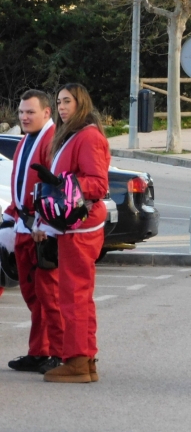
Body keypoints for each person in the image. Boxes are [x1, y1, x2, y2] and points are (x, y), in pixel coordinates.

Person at [33, 83, 110, 383]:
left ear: (82, 103)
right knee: (79, 293)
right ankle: (85, 359)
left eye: (68, 102)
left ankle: (78, 361)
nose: (62, 107)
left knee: (74, 294)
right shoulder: (76, 135)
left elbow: (98, 183)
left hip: (81, 223)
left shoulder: (88, 136)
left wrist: (64, 186)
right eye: (60, 102)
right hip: (75, 223)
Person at [2, 89, 64, 374]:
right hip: (23, 226)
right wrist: (10, 215)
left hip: (41, 230)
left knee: (49, 296)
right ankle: (39, 351)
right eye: (22, 112)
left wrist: (42, 224)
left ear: (46, 113)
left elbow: (54, 186)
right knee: (32, 294)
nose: (24, 117)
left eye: (30, 112)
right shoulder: (26, 140)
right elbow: (20, 185)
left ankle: (59, 353)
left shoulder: (50, 141)